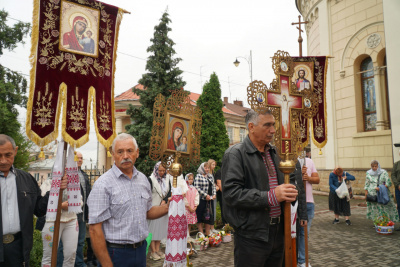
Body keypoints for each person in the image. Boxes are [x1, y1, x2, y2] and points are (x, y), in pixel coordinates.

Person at [221, 109, 299, 267]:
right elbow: (231, 194)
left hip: (278, 231)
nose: (273, 130)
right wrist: (271, 196)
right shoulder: (235, 154)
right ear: (251, 127)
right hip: (251, 235)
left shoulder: (275, 153)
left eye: (274, 125)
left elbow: (289, 181)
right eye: (267, 125)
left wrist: (292, 191)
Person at [88, 133, 169, 267]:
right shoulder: (103, 184)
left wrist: (167, 207)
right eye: (120, 152)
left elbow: (147, 211)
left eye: (129, 151)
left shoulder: (143, 179)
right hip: (116, 253)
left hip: (141, 250)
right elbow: (94, 229)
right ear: (113, 154)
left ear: (137, 153)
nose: (125, 156)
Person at [0, 134, 67, 266]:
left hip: (18, 249)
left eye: (8, 155)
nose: (3, 160)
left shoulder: (26, 179)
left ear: (15, 151)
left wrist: (55, 189)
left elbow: (39, 209)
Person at [57, 151, 91, 267]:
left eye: (81, 158)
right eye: (78, 158)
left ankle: (79, 263)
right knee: (64, 244)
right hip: (67, 216)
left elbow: (87, 196)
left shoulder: (84, 175)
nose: (80, 160)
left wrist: (88, 213)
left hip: (81, 214)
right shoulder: (65, 175)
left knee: (80, 242)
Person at [41, 173, 80, 267]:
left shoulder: (74, 183)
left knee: (71, 254)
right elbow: (42, 204)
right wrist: (61, 206)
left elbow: (80, 201)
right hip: (52, 221)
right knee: (49, 256)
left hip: (71, 220)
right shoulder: (48, 183)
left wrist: (72, 205)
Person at [297, 156, 320, 267]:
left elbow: (317, 179)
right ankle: (292, 258)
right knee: (293, 233)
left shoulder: (309, 161)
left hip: (308, 202)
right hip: (294, 203)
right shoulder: (288, 161)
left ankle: (302, 260)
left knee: (304, 233)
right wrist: (298, 175)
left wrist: (308, 178)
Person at [147, 162, 170, 261]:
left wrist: (165, 200)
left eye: (163, 171)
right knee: (153, 230)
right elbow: (147, 193)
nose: (161, 172)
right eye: (160, 170)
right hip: (153, 207)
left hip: (163, 207)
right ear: (156, 170)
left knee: (160, 229)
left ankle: (158, 249)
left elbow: (169, 192)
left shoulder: (165, 180)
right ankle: (153, 251)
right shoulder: (151, 179)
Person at [364, 160, 399, 224]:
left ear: (378, 166)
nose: (374, 168)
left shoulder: (383, 172)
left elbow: (388, 182)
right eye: (373, 166)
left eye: (375, 166)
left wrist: (381, 188)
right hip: (372, 194)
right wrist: (366, 193)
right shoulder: (368, 173)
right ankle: (376, 222)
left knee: (383, 208)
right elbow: (367, 183)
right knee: (375, 209)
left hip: (382, 193)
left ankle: (385, 221)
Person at [194, 162, 216, 236]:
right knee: (200, 216)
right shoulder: (198, 176)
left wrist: (214, 194)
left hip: (209, 200)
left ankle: (208, 233)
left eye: (208, 168)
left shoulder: (210, 176)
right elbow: (197, 187)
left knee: (208, 217)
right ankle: (201, 234)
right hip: (201, 200)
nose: (207, 169)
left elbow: (213, 186)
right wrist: (205, 195)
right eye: (206, 168)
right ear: (202, 168)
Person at [184, 173, 199, 239]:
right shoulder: (184, 188)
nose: (191, 180)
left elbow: (196, 196)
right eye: (189, 179)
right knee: (185, 222)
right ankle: (184, 235)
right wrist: (188, 206)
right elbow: (184, 198)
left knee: (189, 222)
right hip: (186, 208)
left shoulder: (194, 188)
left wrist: (195, 206)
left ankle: (188, 235)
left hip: (192, 207)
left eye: (192, 179)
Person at [208, 159, 219, 234]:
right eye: (213, 164)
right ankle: (208, 228)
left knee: (213, 210)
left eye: (215, 165)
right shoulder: (207, 173)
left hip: (214, 193)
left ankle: (212, 227)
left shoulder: (214, 173)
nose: (214, 166)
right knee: (209, 211)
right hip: (209, 194)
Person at [392, 145, 400, 231]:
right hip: (398, 188)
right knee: (399, 206)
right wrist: (397, 185)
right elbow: (393, 175)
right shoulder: (396, 164)